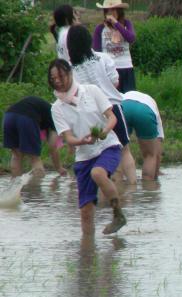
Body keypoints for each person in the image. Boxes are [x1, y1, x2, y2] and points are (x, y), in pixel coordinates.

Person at [48, 59, 127, 235]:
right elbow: (68, 138)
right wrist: (83, 141)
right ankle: (87, 253)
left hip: (108, 146)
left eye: (61, 76)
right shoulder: (57, 108)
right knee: (85, 212)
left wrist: (104, 131)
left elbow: (111, 117)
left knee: (98, 173)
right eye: (53, 78)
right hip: (84, 156)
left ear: (70, 74)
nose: (58, 81)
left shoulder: (91, 91)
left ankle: (118, 214)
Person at [68, 24, 137, 185]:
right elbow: (115, 82)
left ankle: (104, 191)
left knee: (96, 154)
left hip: (88, 114)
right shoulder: (103, 58)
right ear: (88, 40)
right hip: (112, 107)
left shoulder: (70, 68)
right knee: (124, 149)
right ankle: (133, 188)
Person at [3, 96, 67, 177]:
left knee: (16, 155)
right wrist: (59, 168)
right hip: (27, 117)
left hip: (9, 116)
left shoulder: (44, 108)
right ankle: (37, 189)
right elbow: (53, 147)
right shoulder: (56, 117)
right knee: (35, 158)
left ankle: (15, 186)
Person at [93, 0, 136, 92]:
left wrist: (116, 24)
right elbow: (96, 52)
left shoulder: (126, 24)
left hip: (126, 67)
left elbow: (131, 38)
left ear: (119, 11)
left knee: (129, 97)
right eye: (107, 11)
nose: (110, 13)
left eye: (113, 10)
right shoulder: (100, 28)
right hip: (109, 70)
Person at [122, 91, 164, 180]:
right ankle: (148, 187)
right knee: (150, 155)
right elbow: (158, 151)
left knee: (121, 152)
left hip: (123, 106)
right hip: (144, 110)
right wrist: (155, 176)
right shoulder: (153, 105)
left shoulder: (125, 95)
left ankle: (120, 185)